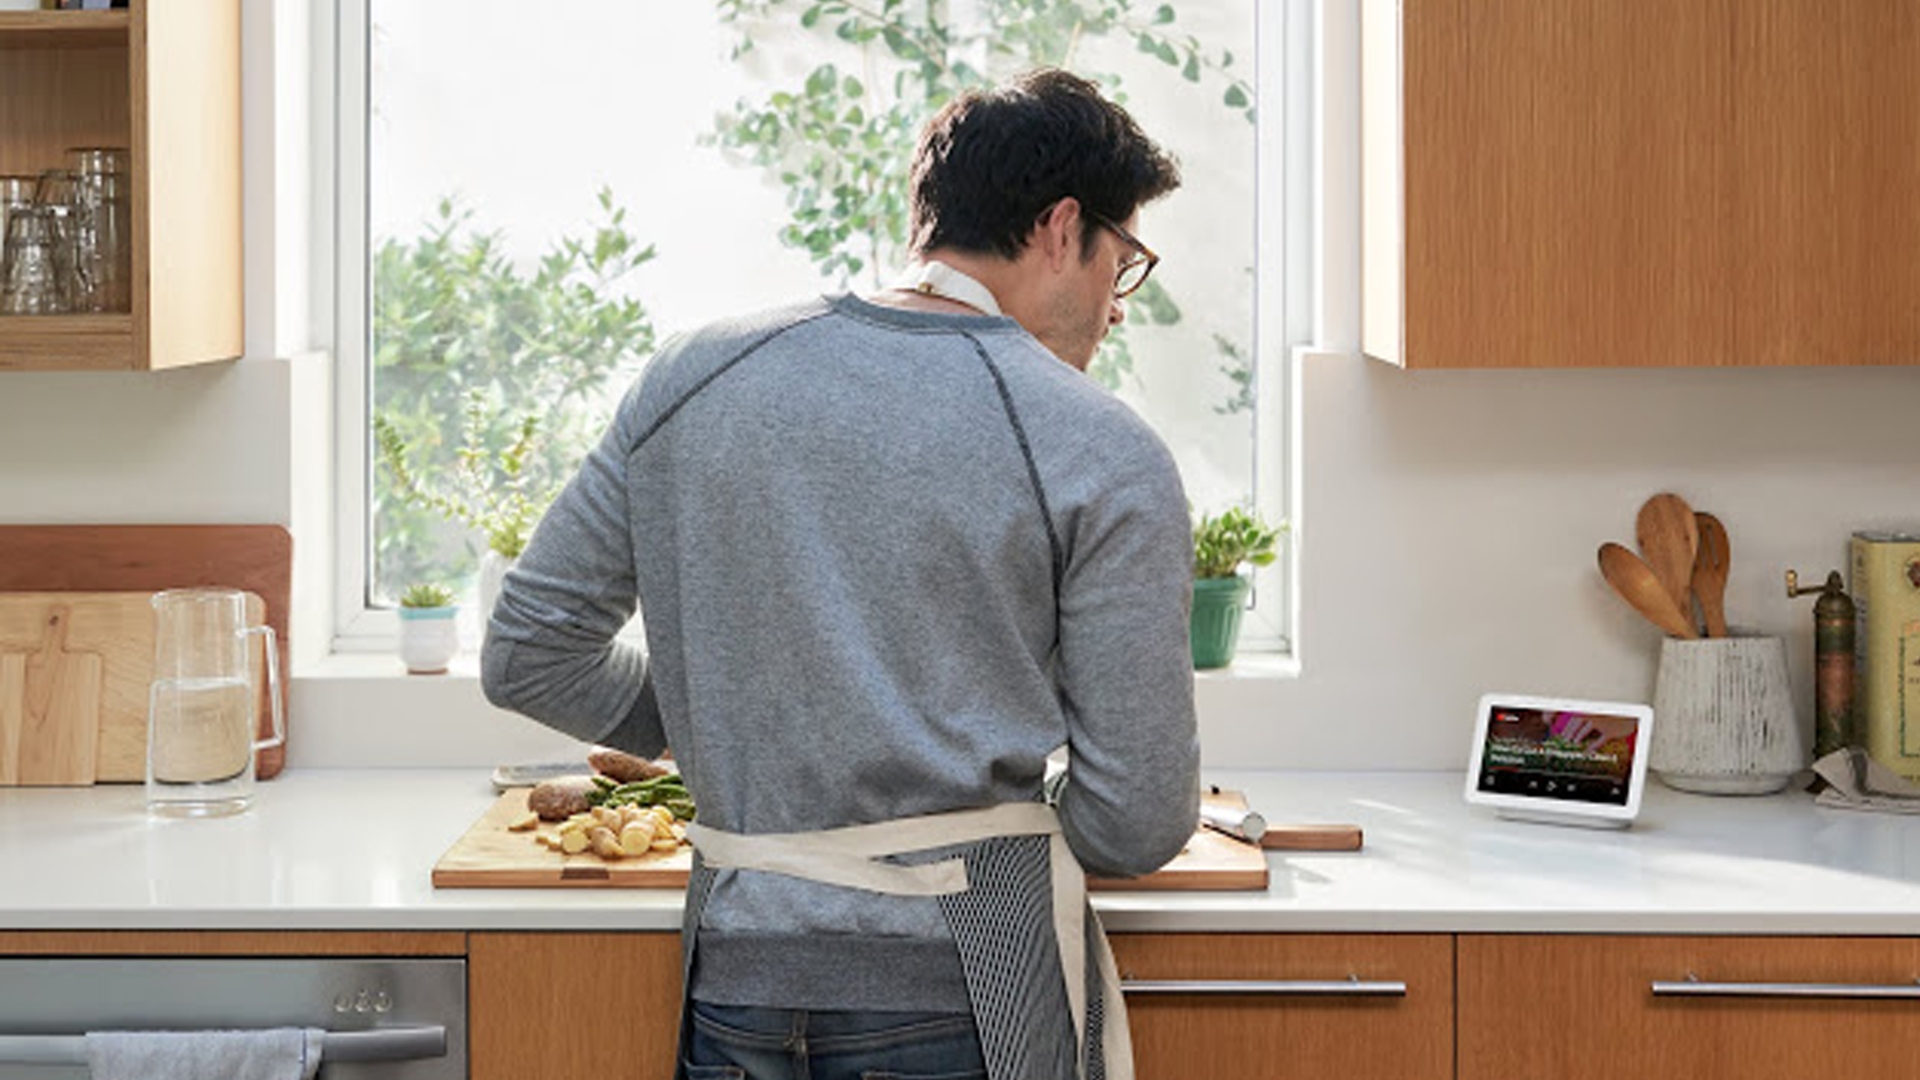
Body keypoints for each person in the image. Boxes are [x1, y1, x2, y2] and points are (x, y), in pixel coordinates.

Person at [482, 66, 1199, 1080]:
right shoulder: (1097, 445)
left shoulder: (695, 375)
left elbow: (530, 656)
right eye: (1120, 263)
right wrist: (990, 834)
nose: (1116, 308)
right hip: (969, 992)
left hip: (739, 983)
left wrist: (741, 729)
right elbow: (1137, 819)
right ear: (1058, 227)